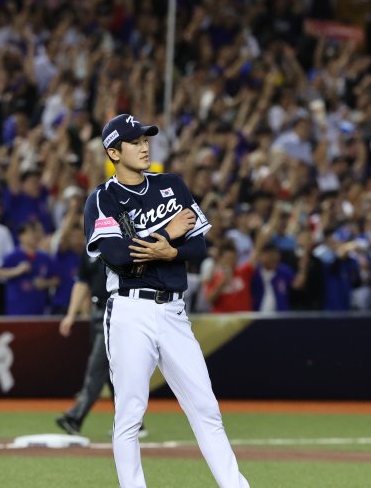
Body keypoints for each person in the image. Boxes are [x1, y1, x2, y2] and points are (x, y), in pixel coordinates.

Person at [83, 113, 249, 488]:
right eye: (134, 141)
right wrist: (168, 232)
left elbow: (199, 246)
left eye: (146, 139)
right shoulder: (103, 199)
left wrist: (168, 250)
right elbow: (118, 255)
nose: (144, 145)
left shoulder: (172, 185)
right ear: (113, 151)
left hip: (174, 310)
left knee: (206, 408)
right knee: (130, 414)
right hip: (130, 309)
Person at [55, 248, 148, 438]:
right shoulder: (90, 250)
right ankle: (133, 421)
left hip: (118, 313)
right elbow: (82, 282)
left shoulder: (121, 243)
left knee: (97, 367)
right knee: (110, 373)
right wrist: (71, 315)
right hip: (97, 314)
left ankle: (75, 417)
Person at [0, 219, 58, 315]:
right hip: (17, 308)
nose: (34, 236)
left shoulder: (44, 257)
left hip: (39, 308)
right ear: (21, 236)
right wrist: (17, 271)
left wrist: (45, 283)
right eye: (30, 232)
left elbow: (57, 279)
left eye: (36, 232)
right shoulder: (13, 256)